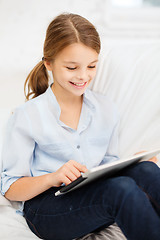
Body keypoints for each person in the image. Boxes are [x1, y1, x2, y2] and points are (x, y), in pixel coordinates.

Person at [1, 13, 160, 240]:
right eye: (72, 67)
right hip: (46, 208)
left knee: (146, 170)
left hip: (91, 194)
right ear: (49, 63)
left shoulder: (106, 109)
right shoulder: (27, 116)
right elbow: (10, 187)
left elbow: (107, 166)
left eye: (92, 66)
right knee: (121, 190)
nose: (83, 76)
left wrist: (131, 163)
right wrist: (53, 177)